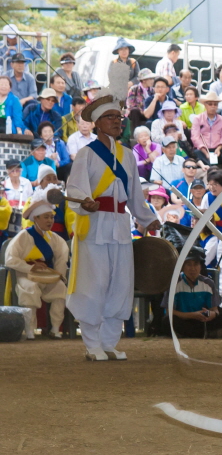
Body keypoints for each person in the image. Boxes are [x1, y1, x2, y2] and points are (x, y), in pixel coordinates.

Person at [66, 88, 161, 360]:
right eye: (110, 117)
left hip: (121, 225)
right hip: (94, 225)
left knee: (119, 284)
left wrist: (147, 218)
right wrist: (85, 201)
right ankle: (92, 344)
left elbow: (134, 196)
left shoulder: (128, 155)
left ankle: (109, 342)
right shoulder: (86, 154)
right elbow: (75, 188)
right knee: (93, 283)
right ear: (97, 123)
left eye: (119, 117)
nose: (118, 121)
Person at [4, 187, 69, 339]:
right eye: (46, 217)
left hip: (47, 275)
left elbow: (61, 260)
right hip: (25, 275)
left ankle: (55, 328)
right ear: (36, 218)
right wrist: (30, 267)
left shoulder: (56, 240)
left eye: (51, 217)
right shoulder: (23, 236)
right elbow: (10, 259)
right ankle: (30, 330)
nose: (50, 221)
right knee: (30, 288)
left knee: (60, 287)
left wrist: (58, 276)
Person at [168, 248, 222, 339]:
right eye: (188, 264)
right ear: (182, 267)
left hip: (203, 319)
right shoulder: (174, 283)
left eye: (196, 264)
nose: (192, 268)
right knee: (167, 321)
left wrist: (212, 314)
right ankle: (206, 334)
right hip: (183, 319)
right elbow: (169, 312)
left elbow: (215, 309)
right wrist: (192, 315)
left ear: (200, 266)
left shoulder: (208, 283)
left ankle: (187, 334)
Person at [191, 92, 222, 168]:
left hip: (217, 150)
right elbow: (195, 137)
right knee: (196, 152)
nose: (213, 106)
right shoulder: (198, 119)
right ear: (205, 105)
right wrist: (205, 151)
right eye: (210, 104)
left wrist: (219, 148)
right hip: (203, 150)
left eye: (215, 104)